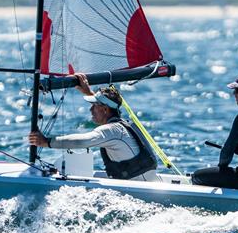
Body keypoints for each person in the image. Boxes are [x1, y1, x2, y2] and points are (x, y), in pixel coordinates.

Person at [28, 74, 158, 181]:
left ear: (105, 110)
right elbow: (106, 103)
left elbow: (82, 141)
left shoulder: (112, 130)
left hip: (137, 186)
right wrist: (88, 92)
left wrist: (46, 142)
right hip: (140, 180)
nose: (90, 109)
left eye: (94, 105)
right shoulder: (121, 126)